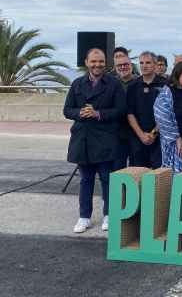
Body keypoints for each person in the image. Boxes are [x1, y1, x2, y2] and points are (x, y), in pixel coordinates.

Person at [64, 48, 126, 233]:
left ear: (105, 63)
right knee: (86, 180)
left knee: (107, 179)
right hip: (82, 140)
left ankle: (108, 214)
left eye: (100, 61)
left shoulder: (114, 84)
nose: (97, 65)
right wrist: (80, 113)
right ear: (86, 62)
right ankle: (84, 217)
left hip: (105, 140)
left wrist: (98, 114)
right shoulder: (76, 84)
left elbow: (121, 110)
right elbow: (67, 110)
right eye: (93, 61)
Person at [154, 62, 182, 173]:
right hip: (174, 142)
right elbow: (162, 117)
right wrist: (178, 139)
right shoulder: (167, 92)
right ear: (177, 74)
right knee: (176, 179)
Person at [127, 51, 166, 169]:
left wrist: (153, 134)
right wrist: (141, 135)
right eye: (141, 63)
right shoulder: (133, 86)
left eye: (148, 62)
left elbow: (166, 113)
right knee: (137, 177)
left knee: (157, 179)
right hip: (137, 139)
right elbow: (130, 113)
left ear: (155, 65)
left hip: (159, 140)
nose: (144, 66)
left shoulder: (165, 85)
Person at [113, 47, 136, 171]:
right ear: (115, 67)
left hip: (137, 134)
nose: (123, 67)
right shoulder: (111, 83)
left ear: (131, 65)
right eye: (119, 65)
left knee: (136, 170)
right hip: (117, 134)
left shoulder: (140, 82)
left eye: (126, 64)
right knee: (117, 169)